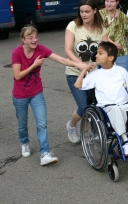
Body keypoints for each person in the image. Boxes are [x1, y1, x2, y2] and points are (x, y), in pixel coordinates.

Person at [11, 25, 86, 166]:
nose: (34, 40)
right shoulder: (17, 52)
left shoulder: (41, 49)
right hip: (20, 95)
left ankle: (45, 153)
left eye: (36, 37)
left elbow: (62, 60)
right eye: (30, 37)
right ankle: (24, 142)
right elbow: (18, 75)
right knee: (22, 125)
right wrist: (34, 65)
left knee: (42, 123)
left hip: (36, 92)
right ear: (23, 40)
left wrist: (79, 65)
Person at [74, 41, 128, 156]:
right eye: (97, 53)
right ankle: (125, 141)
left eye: (100, 53)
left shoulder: (121, 71)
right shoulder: (95, 74)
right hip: (107, 109)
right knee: (116, 109)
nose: (96, 55)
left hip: (124, 105)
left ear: (110, 57)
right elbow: (77, 85)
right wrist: (85, 69)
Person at [65, 0, 121, 144]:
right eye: (81, 11)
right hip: (75, 73)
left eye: (87, 11)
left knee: (96, 104)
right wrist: (80, 64)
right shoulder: (73, 26)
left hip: (95, 73)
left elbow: (105, 41)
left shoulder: (100, 27)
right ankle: (71, 125)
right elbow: (68, 50)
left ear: (95, 11)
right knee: (83, 106)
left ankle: (94, 131)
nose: (84, 15)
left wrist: (114, 44)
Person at [99, 0, 128, 71]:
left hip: (121, 52)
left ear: (117, 2)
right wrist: (113, 44)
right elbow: (99, 32)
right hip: (104, 51)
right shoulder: (99, 14)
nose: (108, 4)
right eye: (107, 1)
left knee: (122, 77)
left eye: (111, 2)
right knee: (106, 78)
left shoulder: (123, 16)